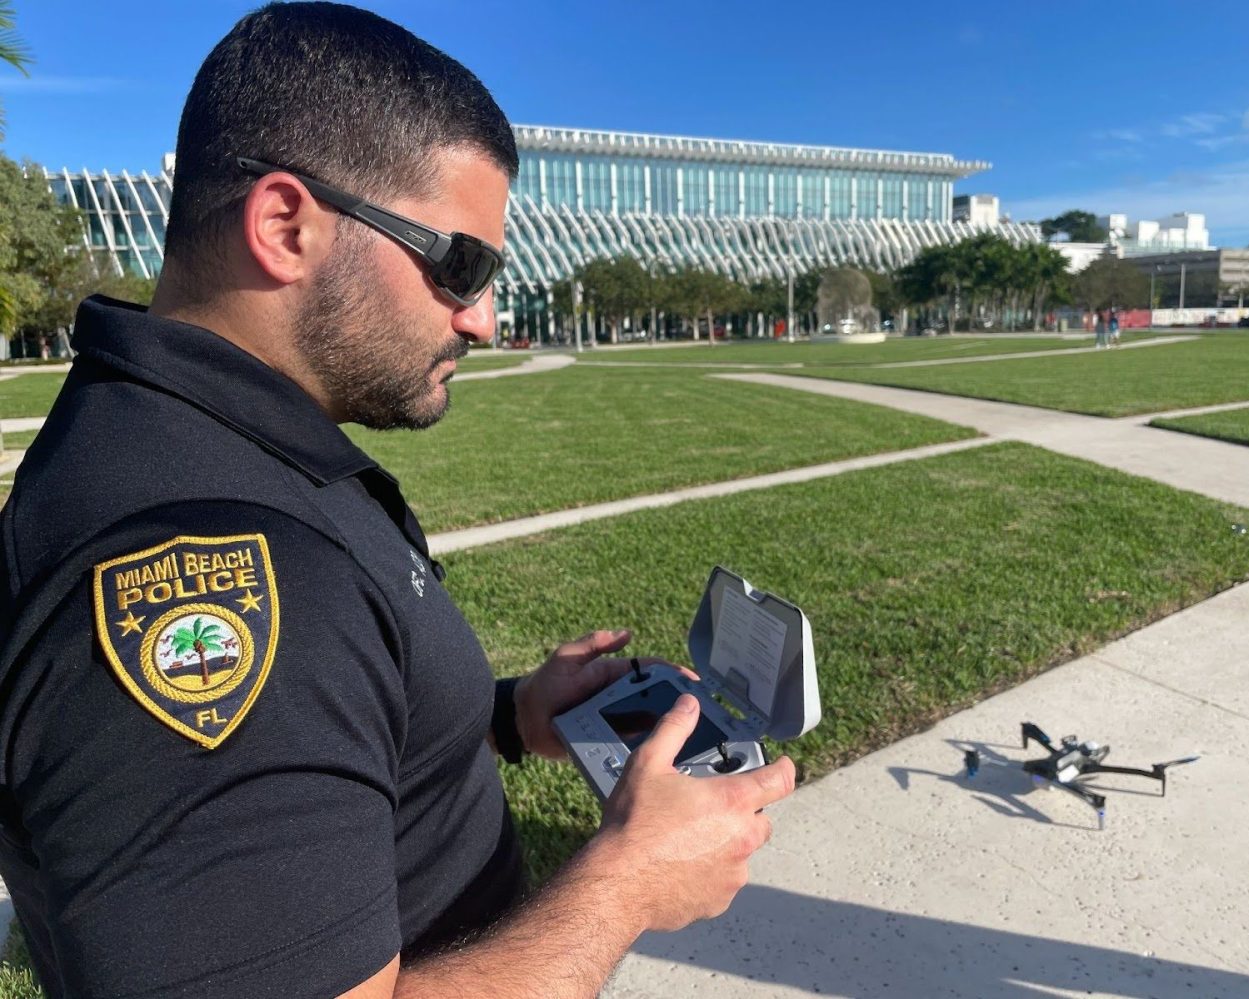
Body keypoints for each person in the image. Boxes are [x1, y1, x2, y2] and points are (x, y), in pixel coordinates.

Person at [0, 5, 795, 997]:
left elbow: (330, 740)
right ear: (286, 227)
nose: (484, 317)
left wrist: (504, 720)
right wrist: (627, 884)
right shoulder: (209, 564)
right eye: (462, 265)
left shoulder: (204, 434)